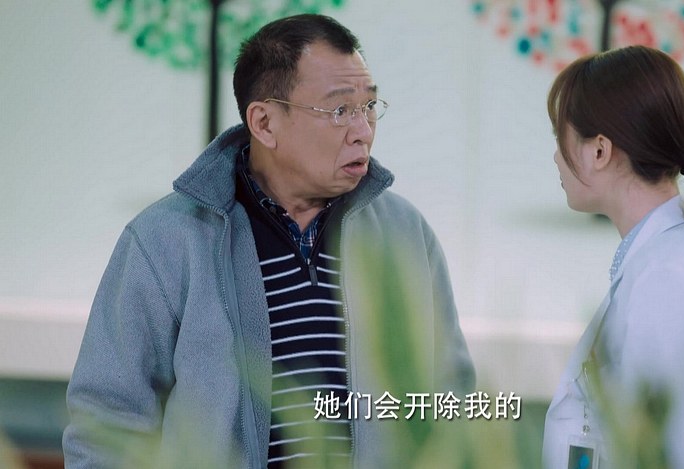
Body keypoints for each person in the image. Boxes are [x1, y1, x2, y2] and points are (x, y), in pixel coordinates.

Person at [63, 14, 474, 468]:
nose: (363, 130)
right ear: (264, 122)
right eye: (340, 110)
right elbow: (108, 425)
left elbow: (451, 402)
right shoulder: (166, 240)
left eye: (369, 106)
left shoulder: (404, 233)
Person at [541, 46, 684, 469]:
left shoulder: (669, 276)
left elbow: (674, 453)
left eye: (559, 137)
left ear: (599, 151)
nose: (555, 156)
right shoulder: (665, 260)